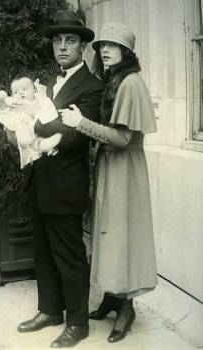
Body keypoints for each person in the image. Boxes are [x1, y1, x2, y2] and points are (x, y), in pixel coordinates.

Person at [5, 10, 103, 348]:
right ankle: (49, 309)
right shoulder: (48, 83)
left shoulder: (91, 87)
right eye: (58, 41)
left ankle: (78, 322)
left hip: (65, 184)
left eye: (70, 41)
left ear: (82, 46)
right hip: (39, 177)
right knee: (43, 251)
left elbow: (73, 136)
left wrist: (32, 124)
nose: (62, 46)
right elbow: (39, 121)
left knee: (69, 253)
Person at [61, 22, 158, 343]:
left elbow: (121, 138)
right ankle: (113, 297)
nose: (104, 50)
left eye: (112, 46)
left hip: (125, 169)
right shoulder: (111, 80)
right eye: (102, 45)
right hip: (110, 166)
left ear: (126, 51)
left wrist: (81, 122)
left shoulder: (130, 83)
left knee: (124, 234)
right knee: (108, 231)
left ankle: (127, 306)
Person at [0, 77, 61, 169]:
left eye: (25, 89)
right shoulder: (15, 104)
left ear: (34, 89)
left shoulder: (42, 99)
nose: (20, 93)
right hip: (23, 135)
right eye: (16, 92)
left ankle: (44, 145)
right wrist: (2, 99)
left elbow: (51, 113)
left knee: (37, 134)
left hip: (40, 129)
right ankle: (40, 145)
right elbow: (4, 113)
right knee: (21, 129)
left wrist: (35, 112)